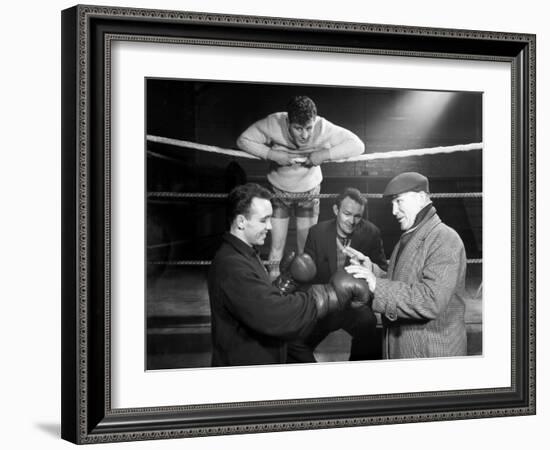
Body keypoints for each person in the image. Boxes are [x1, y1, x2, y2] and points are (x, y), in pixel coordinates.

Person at [207, 183, 372, 366]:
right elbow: (275, 315)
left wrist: (286, 281)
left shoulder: (245, 254)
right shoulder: (232, 266)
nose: (270, 227)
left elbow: (258, 302)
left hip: (258, 357)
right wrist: (329, 294)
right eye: (264, 220)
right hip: (245, 370)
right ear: (241, 222)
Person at [236, 96, 365, 279]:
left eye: (308, 128)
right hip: (279, 192)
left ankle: (304, 294)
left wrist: (324, 154)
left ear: (314, 121)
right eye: (298, 128)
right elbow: (243, 140)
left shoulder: (323, 127)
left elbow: (358, 146)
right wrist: (271, 154)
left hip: (309, 193)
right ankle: (273, 292)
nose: (304, 135)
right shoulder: (274, 123)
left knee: (306, 250)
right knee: (276, 247)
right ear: (288, 122)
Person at [344, 172, 468, 359]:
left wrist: (376, 285)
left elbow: (430, 300)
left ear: (420, 198)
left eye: (399, 201)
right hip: (408, 350)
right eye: (392, 203)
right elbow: (403, 280)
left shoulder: (445, 238)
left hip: (432, 356)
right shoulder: (411, 236)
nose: (394, 211)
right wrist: (372, 271)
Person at [287, 187, 387, 362]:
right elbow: (309, 273)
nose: (352, 221)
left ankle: (356, 379)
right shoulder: (317, 232)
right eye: (347, 214)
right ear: (336, 210)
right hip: (326, 304)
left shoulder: (371, 233)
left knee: (369, 326)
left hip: (354, 306)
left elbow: (382, 270)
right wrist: (297, 273)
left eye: (358, 216)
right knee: (293, 339)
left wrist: (370, 268)